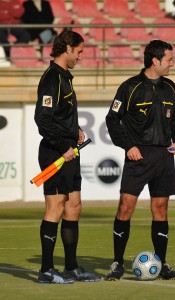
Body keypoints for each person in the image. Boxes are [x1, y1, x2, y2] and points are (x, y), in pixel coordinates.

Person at [105, 40, 175, 281]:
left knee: (160, 210)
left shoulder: (171, 87)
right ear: (155, 60)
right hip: (138, 157)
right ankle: (117, 263)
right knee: (125, 207)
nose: (174, 63)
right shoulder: (129, 87)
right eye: (170, 59)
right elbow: (112, 120)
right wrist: (128, 146)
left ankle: (161, 263)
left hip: (164, 156)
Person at [34, 29, 101, 284]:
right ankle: (46, 270)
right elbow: (42, 120)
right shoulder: (52, 78)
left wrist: (77, 130)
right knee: (56, 206)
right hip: (56, 153)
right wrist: (63, 144)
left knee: (74, 206)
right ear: (68, 48)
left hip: (70, 151)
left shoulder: (65, 78)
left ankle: (71, 267)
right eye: (80, 52)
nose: (81, 57)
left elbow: (61, 117)